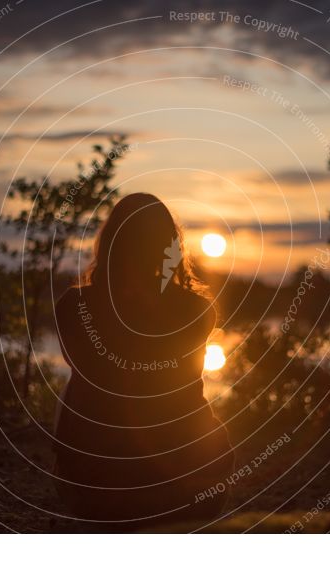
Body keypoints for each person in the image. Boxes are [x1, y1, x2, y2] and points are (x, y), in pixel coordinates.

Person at [53, 193, 234, 526]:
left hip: (92, 483)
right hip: (183, 485)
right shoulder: (196, 309)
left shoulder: (72, 307)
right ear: (169, 246)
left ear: (108, 243)